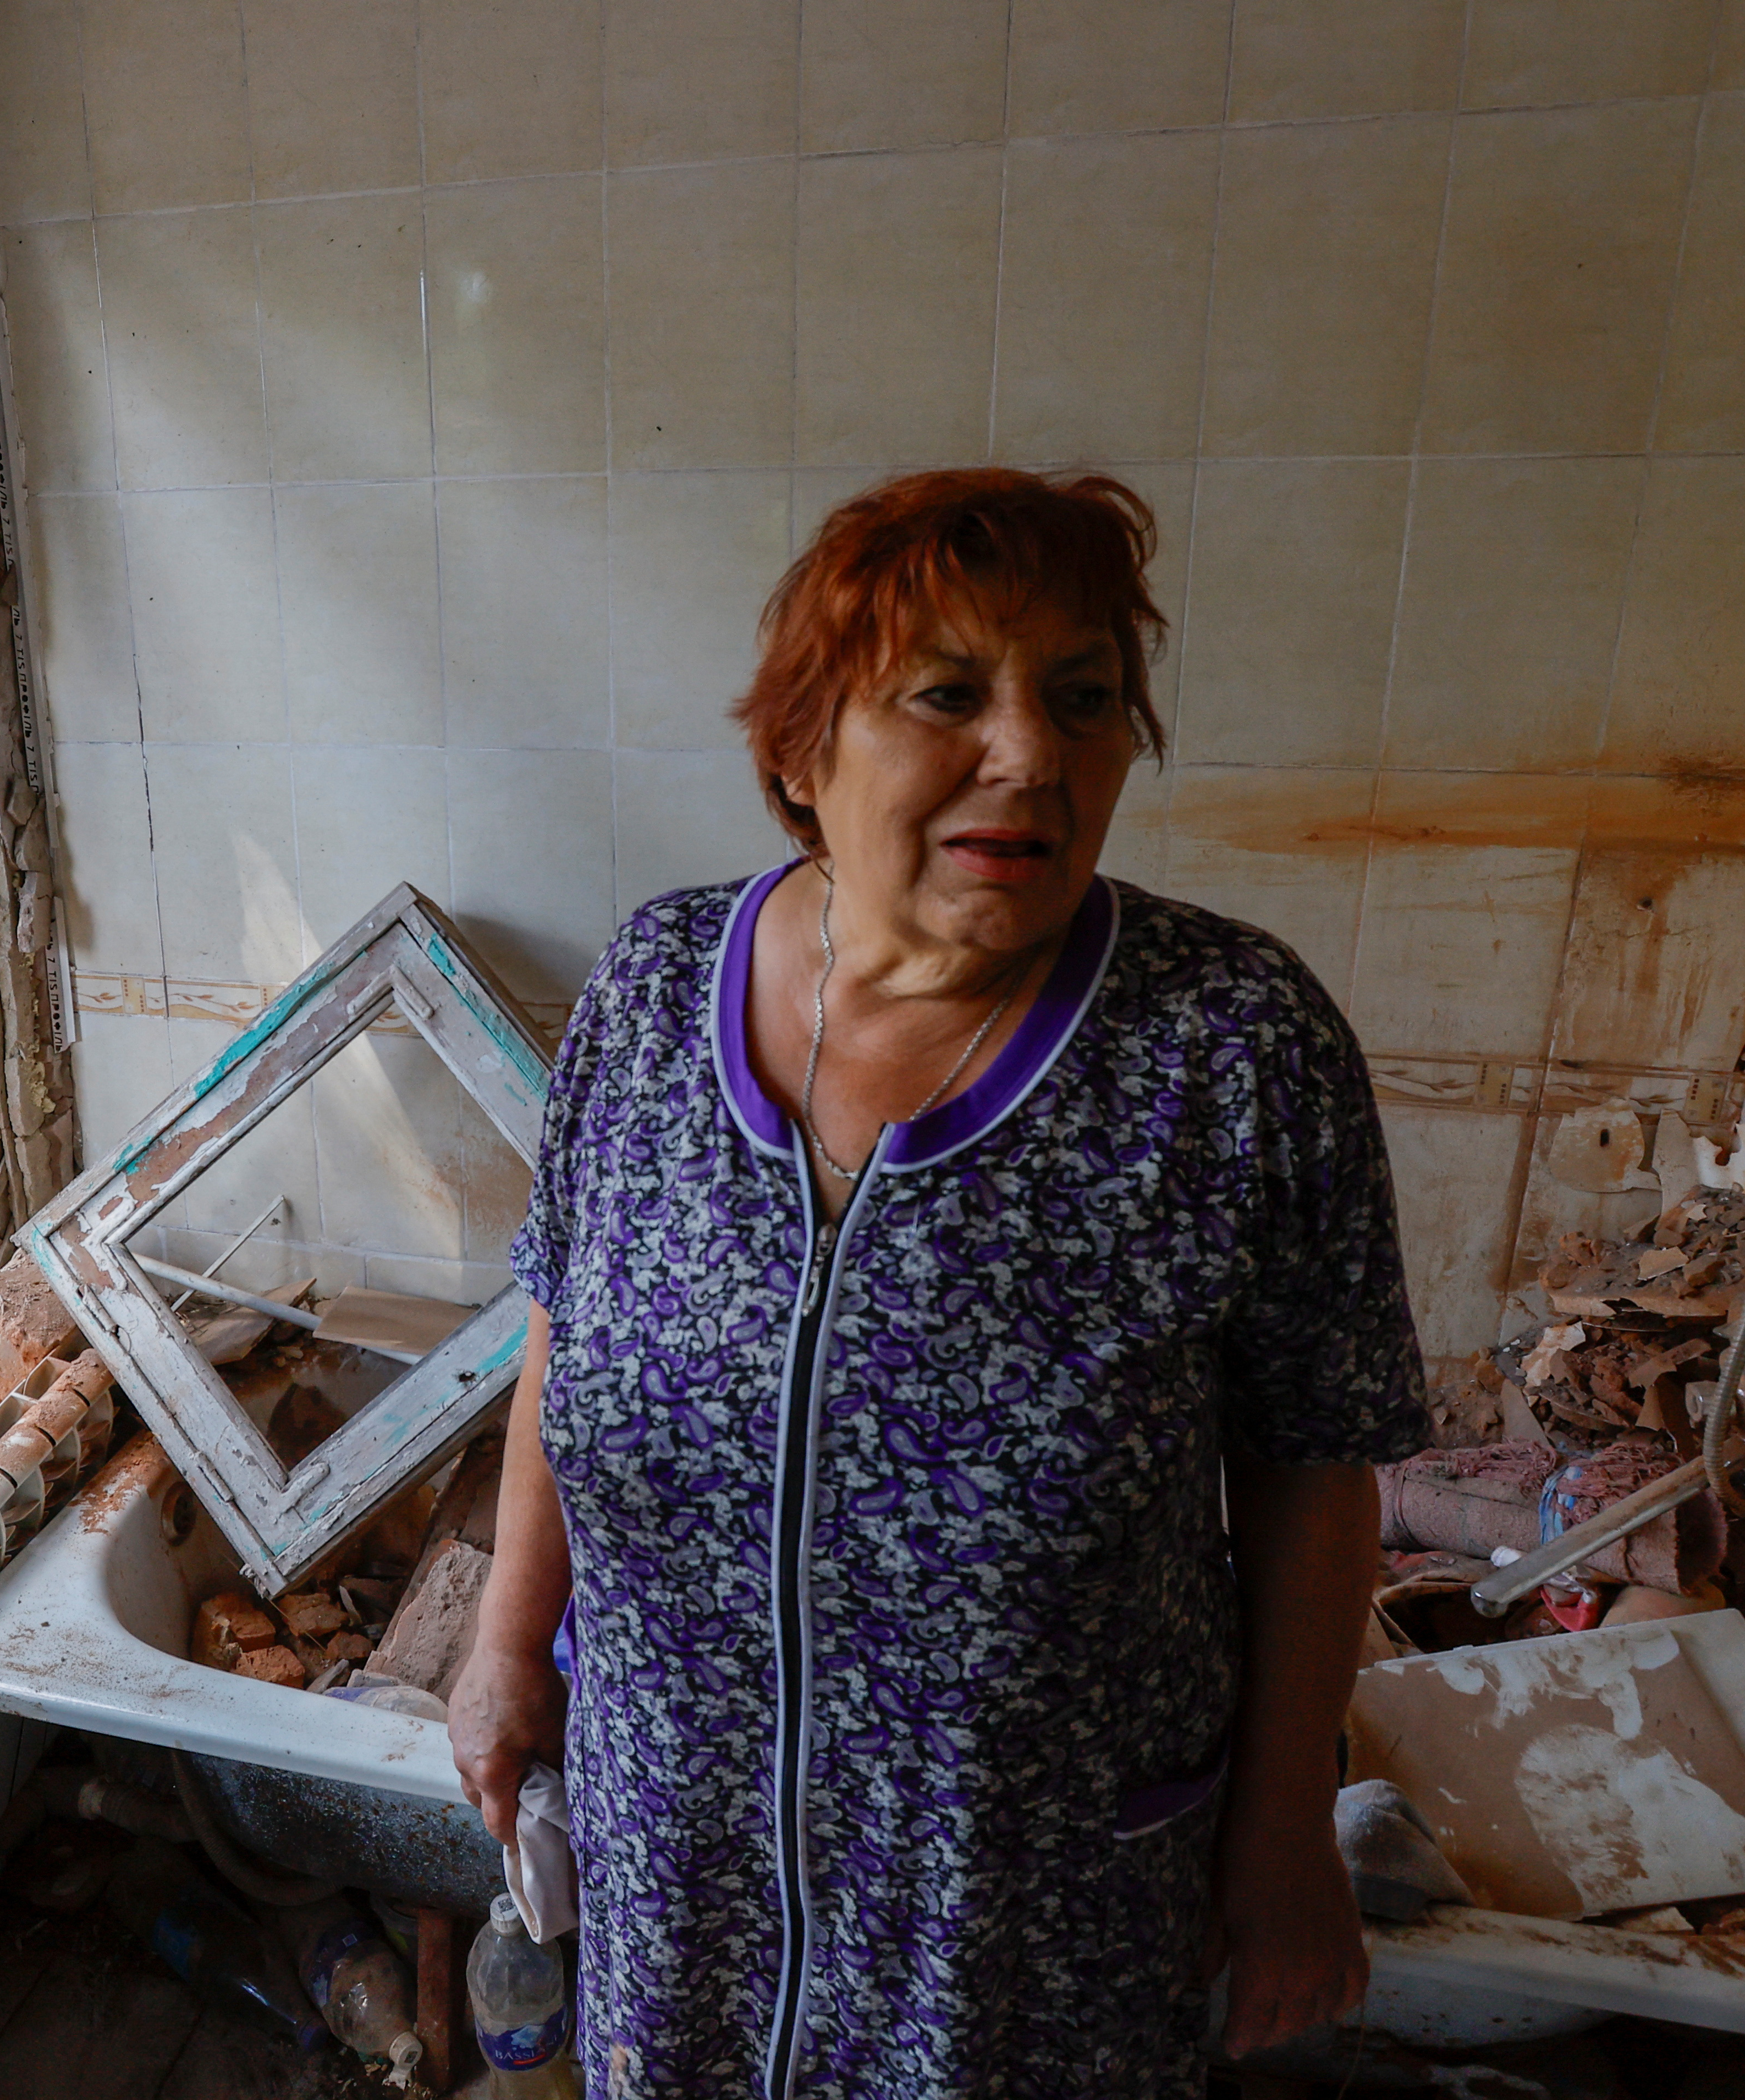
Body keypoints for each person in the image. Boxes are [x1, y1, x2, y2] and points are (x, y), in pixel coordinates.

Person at [445, 470, 1428, 2097]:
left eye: (1084, 696)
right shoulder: (648, 989)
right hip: (676, 1867)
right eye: (947, 694)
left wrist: (1278, 1839)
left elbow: (1315, 1467)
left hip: (1024, 1905)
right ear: (799, 747)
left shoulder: (1230, 1044)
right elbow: (564, 1316)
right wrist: (501, 1647)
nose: (1032, 754)